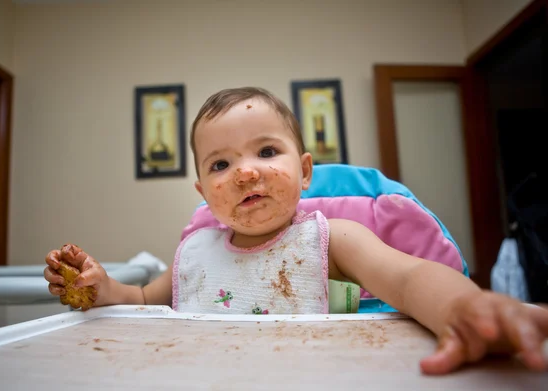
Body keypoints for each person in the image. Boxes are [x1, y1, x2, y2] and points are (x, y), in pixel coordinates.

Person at [44, 87, 548, 375]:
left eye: (266, 152)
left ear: (305, 171)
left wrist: (462, 308)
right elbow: (140, 296)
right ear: (203, 193)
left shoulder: (332, 238)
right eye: (221, 163)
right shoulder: (192, 254)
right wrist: (101, 288)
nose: (246, 172)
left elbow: (411, 279)